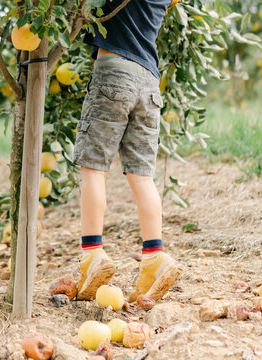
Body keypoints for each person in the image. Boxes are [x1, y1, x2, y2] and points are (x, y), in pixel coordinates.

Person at [73, 0, 183, 302]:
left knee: (93, 168)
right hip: (149, 83)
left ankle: (92, 254)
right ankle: (154, 259)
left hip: (113, 73)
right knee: (142, 177)